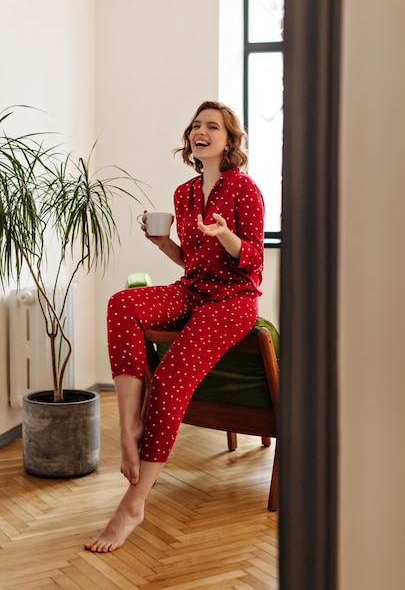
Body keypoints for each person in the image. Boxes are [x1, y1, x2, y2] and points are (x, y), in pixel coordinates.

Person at [85, 101, 264, 553]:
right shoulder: (184, 194)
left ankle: (133, 503)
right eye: (195, 126)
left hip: (232, 300)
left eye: (212, 126)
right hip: (192, 288)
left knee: (167, 380)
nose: (200, 131)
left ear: (229, 141)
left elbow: (254, 264)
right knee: (122, 303)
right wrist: (166, 243)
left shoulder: (245, 190)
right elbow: (192, 262)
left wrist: (224, 233)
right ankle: (129, 429)